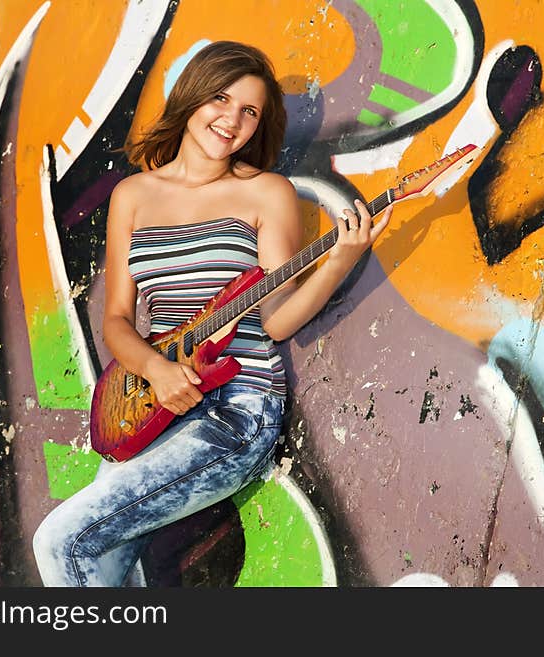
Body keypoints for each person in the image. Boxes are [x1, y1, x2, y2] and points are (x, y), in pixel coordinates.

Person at [32, 40, 392, 586]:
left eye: (250, 111)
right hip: (151, 407)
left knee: (62, 540)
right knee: (106, 572)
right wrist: (156, 370)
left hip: (236, 409)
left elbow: (275, 320)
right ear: (192, 97)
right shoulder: (133, 195)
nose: (232, 120)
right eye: (221, 99)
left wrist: (341, 259)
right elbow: (117, 322)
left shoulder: (266, 193)